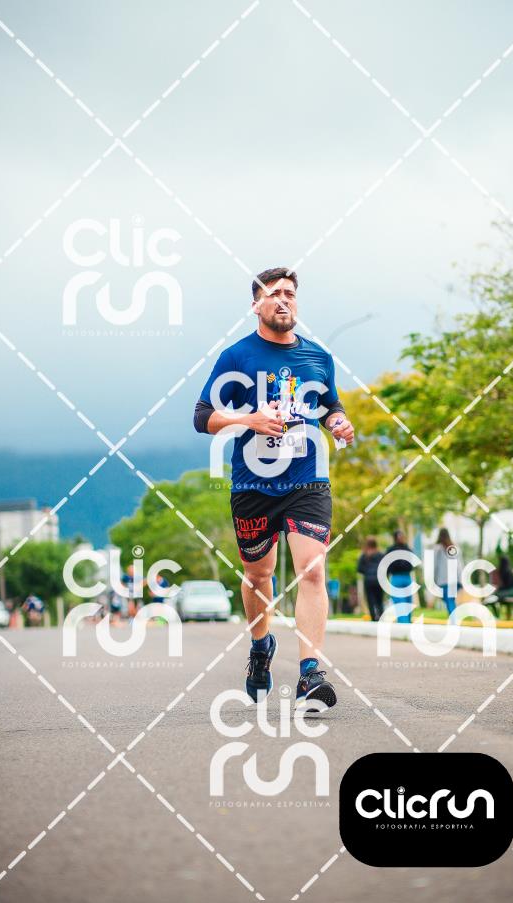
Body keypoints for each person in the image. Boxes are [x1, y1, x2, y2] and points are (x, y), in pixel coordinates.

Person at [194, 266, 354, 710]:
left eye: (290, 293)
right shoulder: (236, 357)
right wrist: (249, 419)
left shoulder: (318, 357)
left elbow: (330, 405)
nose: (283, 300)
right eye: (274, 293)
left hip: (308, 479)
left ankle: (310, 675)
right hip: (253, 485)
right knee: (258, 575)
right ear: (256, 305)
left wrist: (338, 422)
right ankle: (261, 646)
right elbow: (202, 416)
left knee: (313, 570)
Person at [385, 530, 414, 623]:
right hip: (401, 577)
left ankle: (405, 624)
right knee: (404, 603)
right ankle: (405, 624)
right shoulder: (407, 549)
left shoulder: (391, 550)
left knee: (404, 603)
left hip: (401, 578)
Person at [433, 528, 463, 617]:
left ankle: (453, 619)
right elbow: (459, 565)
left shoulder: (437, 549)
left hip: (443, 581)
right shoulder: (454, 548)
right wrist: (461, 580)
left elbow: (434, 566)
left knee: (449, 600)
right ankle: (453, 618)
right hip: (454, 580)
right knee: (450, 600)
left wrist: (433, 580)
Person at [356, 536, 384, 621]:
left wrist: (367, 571)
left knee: (371, 601)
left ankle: (373, 618)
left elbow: (359, 569)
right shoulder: (380, 555)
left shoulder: (364, 555)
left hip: (368, 581)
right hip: (379, 580)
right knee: (379, 600)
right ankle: (381, 617)